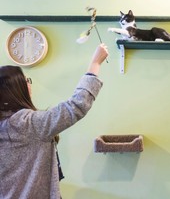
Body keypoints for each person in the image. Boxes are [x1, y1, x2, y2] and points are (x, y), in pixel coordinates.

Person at [0, 43, 108, 199]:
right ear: (17, 89)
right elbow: (77, 105)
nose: (29, 85)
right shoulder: (29, 124)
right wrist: (95, 64)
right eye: (26, 81)